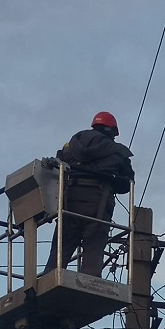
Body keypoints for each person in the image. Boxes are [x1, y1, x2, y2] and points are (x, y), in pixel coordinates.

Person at [44, 111, 135, 278]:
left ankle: (48, 282)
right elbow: (127, 183)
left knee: (60, 250)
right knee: (93, 249)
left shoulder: (70, 147)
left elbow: (55, 167)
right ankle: (90, 283)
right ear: (111, 131)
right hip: (98, 205)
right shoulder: (117, 152)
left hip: (69, 203)